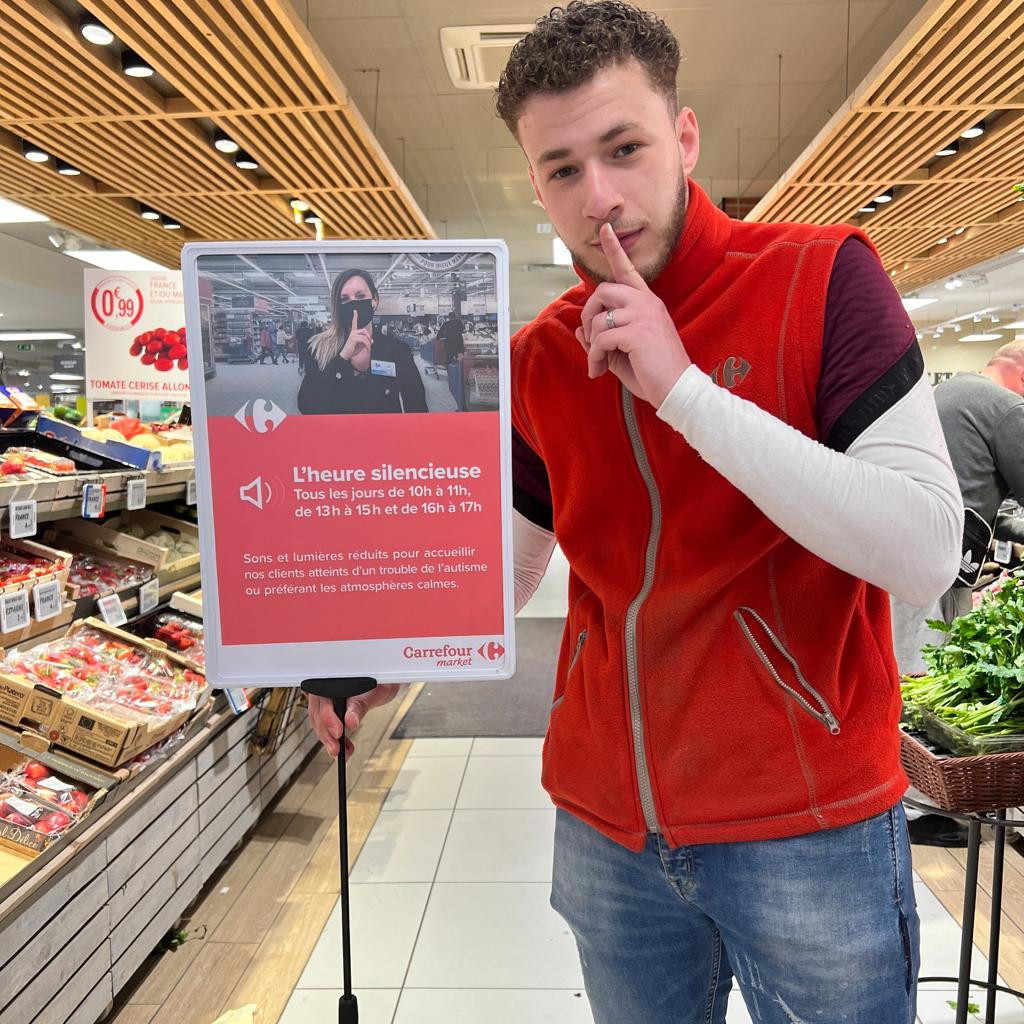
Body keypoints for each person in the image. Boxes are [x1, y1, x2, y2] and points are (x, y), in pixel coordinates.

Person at [308, 4, 962, 1021]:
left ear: (684, 136)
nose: (599, 196)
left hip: (808, 823)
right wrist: (391, 658)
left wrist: (686, 391)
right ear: (534, 183)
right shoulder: (539, 356)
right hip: (608, 829)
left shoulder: (822, 276)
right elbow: (518, 562)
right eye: (563, 168)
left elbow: (923, 548)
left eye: (624, 148)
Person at [891, 342, 1024, 846]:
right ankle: (924, 809)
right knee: (925, 672)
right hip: (936, 563)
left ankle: (918, 801)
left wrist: (1009, 527)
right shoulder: (1004, 406)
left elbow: (981, 492)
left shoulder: (952, 392)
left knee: (914, 669)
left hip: (913, 552)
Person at [297, 268, 427, 415]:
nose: (354, 305)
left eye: (360, 296)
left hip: (385, 436)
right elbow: (306, 405)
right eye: (344, 299)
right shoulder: (318, 348)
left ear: (375, 301)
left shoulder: (397, 351)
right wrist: (342, 358)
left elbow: (417, 407)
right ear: (337, 306)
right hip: (338, 436)